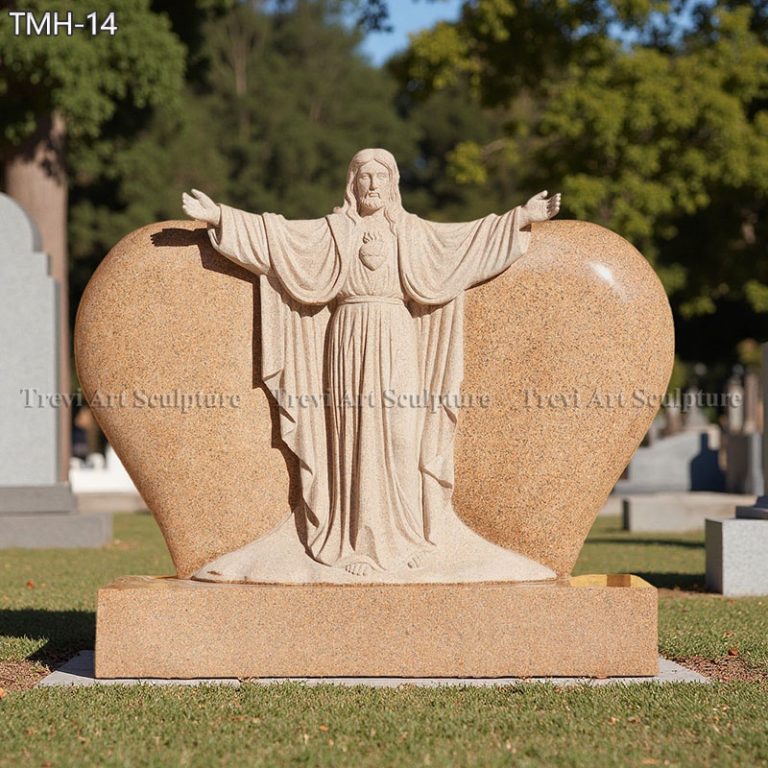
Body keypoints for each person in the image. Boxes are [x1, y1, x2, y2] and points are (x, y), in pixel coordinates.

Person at [183, 147, 560, 578]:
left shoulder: (412, 231)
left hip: (396, 334)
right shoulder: (333, 231)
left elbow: (465, 242)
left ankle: (411, 538)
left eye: (381, 176)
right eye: (364, 176)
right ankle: (355, 544)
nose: (373, 184)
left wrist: (520, 217)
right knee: (352, 438)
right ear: (352, 184)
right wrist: (220, 217)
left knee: (402, 435)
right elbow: (279, 238)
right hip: (348, 336)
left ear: (393, 183)